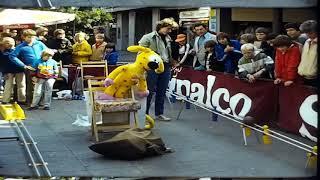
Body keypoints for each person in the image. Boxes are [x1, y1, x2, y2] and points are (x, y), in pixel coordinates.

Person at [138, 17, 179, 121]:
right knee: (149, 91)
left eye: (171, 29)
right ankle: (144, 114)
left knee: (162, 90)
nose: (169, 31)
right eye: (168, 28)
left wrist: (172, 61)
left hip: (166, 66)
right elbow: (140, 52)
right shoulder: (148, 37)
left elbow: (167, 53)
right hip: (152, 67)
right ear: (161, 27)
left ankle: (159, 113)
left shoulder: (168, 38)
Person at [9, 29, 47, 104]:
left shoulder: (39, 44)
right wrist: (23, 65)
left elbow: (47, 52)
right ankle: (31, 102)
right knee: (31, 85)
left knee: (42, 83)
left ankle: (40, 100)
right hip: (30, 67)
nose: (31, 39)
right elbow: (12, 56)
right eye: (29, 37)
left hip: (41, 66)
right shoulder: (21, 46)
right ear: (24, 37)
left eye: (33, 37)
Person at [0, 37, 26, 104]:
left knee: (21, 85)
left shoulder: (18, 50)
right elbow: (1, 64)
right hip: (8, 71)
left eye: (11, 42)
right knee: (8, 86)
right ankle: (5, 100)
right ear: (4, 44)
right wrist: (3, 73)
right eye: (7, 42)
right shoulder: (2, 52)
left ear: (14, 43)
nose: (9, 44)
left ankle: (22, 100)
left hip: (19, 70)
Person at [297, 20, 317, 87]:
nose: (308, 35)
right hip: (304, 76)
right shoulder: (307, 41)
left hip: (315, 78)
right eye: (306, 33)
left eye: (310, 33)